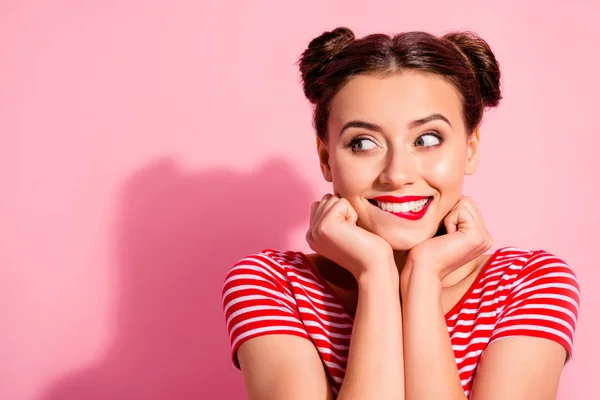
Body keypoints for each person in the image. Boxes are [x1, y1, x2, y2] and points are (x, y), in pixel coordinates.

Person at [220, 27, 580, 399]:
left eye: (427, 140)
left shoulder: (528, 285)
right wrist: (375, 274)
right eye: (363, 143)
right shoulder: (273, 286)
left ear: (470, 148)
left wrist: (421, 279)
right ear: (326, 157)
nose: (397, 175)